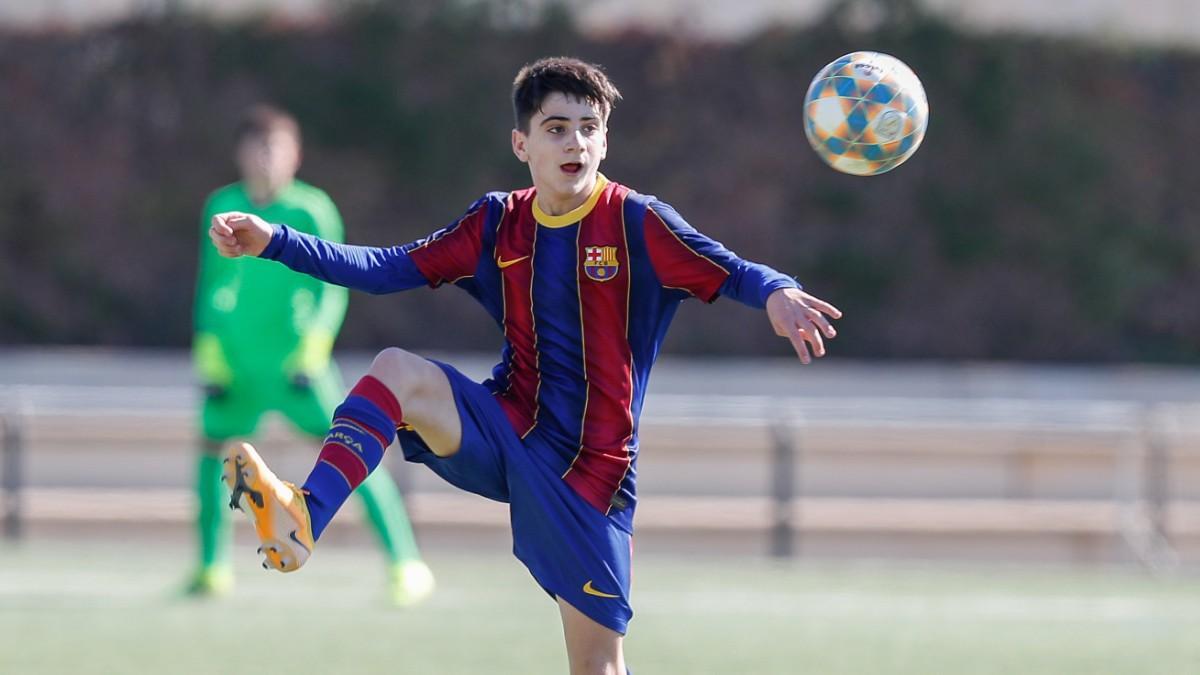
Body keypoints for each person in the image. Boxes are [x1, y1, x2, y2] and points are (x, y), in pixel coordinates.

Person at [210, 59, 840, 673]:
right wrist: (276, 242)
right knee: (396, 370)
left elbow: (729, 268)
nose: (575, 142)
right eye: (556, 128)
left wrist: (777, 292)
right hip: (507, 428)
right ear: (522, 143)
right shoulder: (496, 222)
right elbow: (385, 268)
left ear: (605, 142)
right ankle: (302, 516)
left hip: (591, 476)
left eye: (589, 128)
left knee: (596, 666)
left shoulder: (637, 222)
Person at [186, 104, 434, 606]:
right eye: (257, 146)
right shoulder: (222, 204)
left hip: (297, 366)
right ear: (240, 153)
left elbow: (331, 291)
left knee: (356, 454)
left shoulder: (311, 209)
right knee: (211, 457)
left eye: (275, 147)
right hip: (238, 365)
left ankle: (406, 564)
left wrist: (310, 351)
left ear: (295, 155)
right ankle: (211, 567)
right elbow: (209, 287)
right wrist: (210, 355)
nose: (266, 157)